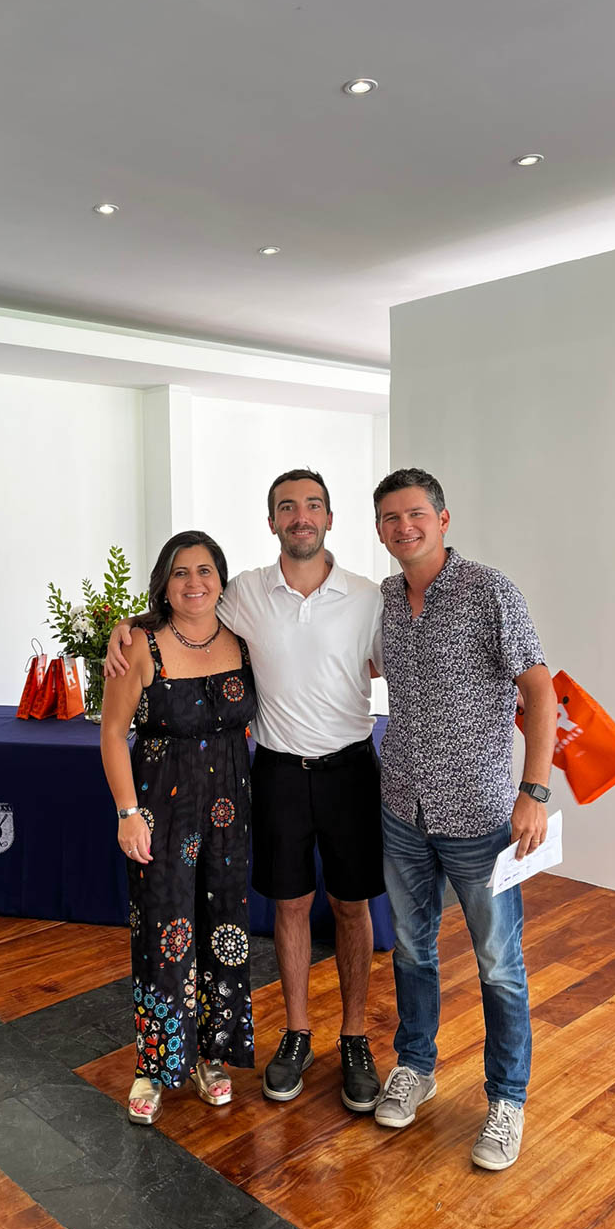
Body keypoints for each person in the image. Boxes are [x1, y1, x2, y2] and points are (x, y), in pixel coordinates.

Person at [108, 471, 385, 1114]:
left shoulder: (367, 597)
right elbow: (177, 613)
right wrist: (123, 627)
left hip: (338, 773)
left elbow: (386, 661)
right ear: (271, 522)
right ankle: (287, 1037)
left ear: (330, 517)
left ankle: (349, 1040)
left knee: (333, 910)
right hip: (271, 776)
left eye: (312, 505)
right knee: (279, 909)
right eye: (287, 507)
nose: (300, 516)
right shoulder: (246, 596)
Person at [371, 467, 556, 1170]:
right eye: (390, 517)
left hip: (480, 814)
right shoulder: (386, 598)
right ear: (380, 529)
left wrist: (533, 791)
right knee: (411, 949)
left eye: (415, 514)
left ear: (443, 520)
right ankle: (415, 1066)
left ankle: (507, 1100)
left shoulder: (489, 591)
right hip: (403, 808)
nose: (404, 527)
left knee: (499, 963)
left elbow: (539, 689)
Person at [101, 530, 257, 1126]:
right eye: (180, 572)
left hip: (230, 811)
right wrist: (127, 813)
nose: (194, 583)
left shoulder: (243, 638)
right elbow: (112, 732)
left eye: (205, 570)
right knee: (164, 934)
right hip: (161, 812)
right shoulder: (139, 645)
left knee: (224, 930)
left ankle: (209, 1056)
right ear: (164, 584)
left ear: (222, 578)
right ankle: (155, 1064)